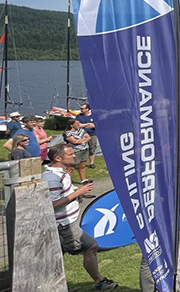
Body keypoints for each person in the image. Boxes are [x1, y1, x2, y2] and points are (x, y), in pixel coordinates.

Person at [42, 144, 118, 290]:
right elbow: (51, 205)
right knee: (91, 246)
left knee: (55, 256)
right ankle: (99, 281)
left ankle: (54, 285)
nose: (74, 156)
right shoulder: (52, 177)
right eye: (70, 154)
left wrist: (77, 195)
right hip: (64, 224)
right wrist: (77, 193)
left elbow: (61, 196)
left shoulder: (60, 173)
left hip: (65, 223)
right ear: (58, 158)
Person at [76, 103, 99, 169]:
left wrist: (84, 125)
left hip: (92, 134)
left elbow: (94, 125)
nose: (81, 110)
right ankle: (80, 162)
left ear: (87, 109)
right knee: (81, 148)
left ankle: (91, 163)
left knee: (92, 148)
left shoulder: (94, 116)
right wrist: (88, 124)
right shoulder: (79, 116)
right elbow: (78, 125)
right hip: (82, 134)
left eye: (82, 108)